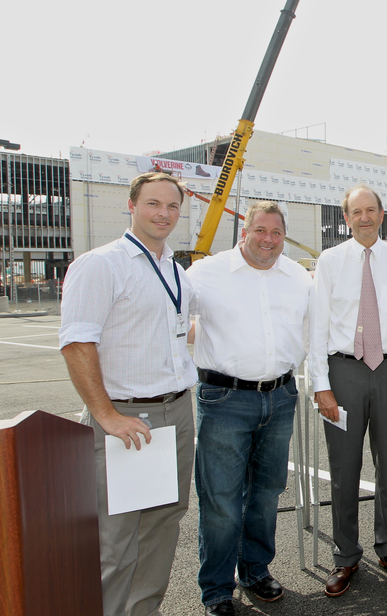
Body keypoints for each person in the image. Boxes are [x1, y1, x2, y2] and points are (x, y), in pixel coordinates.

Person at [60, 171, 198, 616]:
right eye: (154, 204)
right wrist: (107, 416)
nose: (164, 213)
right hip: (127, 417)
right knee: (115, 537)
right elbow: (78, 342)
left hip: (175, 411)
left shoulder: (174, 270)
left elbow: (175, 332)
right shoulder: (102, 264)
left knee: (162, 523)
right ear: (132, 205)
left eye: (172, 206)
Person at [186, 200, 312, 616]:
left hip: (280, 396)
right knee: (221, 499)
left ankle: (255, 570)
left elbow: (316, 330)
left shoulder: (296, 277)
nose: (269, 240)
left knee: (266, 492)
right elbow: (169, 320)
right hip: (224, 399)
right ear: (245, 230)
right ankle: (217, 590)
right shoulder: (206, 273)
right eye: (261, 230)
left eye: (276, 233)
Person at [309, 185, 387, 598]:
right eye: (356, 211)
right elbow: (317, 327)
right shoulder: (330, 261)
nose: (364, 217)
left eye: (371, 210)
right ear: (346, 218)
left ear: (381, 214)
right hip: (343, 375)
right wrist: (320, 385)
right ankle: (345, 557)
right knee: (343, 471)